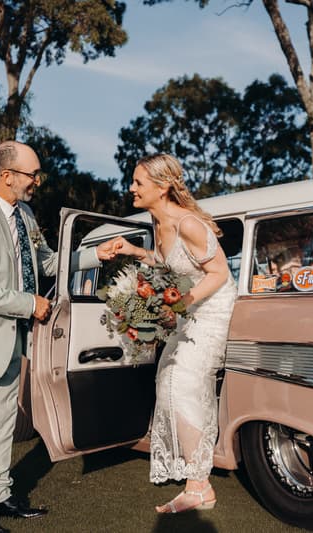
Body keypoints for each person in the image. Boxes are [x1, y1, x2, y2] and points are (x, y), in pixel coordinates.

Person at [0, 141, 118, 533]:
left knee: (3, 421)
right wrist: (28, 304)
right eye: (32, 174)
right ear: (7, 176)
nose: (37, 180)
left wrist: (94, 255)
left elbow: (47, 262)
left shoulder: (27, 215)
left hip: (15, 342)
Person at [102, 153, 237, 514]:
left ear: (162, 188)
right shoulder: (156, 221)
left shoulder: (188, 223)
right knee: (167, 382)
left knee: (181, 382)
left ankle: (199, 485)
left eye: (138, 182)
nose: (131, 187)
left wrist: (180, 304)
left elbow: (220, 274)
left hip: (210, 308)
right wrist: (134, 252)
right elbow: (170, 263)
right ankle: (198, 481)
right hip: (186, 309)